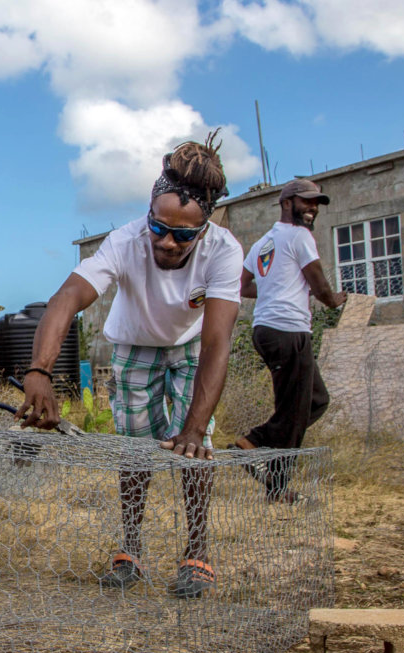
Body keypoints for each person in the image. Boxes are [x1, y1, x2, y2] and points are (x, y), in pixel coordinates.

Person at [18, 132, 242, 599]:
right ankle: (130, 551)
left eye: (183, 235)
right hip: (134, 346)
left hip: (193, 348)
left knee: (194, 452)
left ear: (204, 228)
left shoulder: (223, 251)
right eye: (159, 227)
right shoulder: (124, 241)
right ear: (150, 211)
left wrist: (195, 428)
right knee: (135, 450)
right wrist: (38, 370)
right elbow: (66, 300)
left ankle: (197, 553)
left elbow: (217, 342)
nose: (167, 242)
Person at [233, 179, 346, 503]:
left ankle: (268, 464)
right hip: (288, 331)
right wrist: (333, 300)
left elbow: (242, 286)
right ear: (287, 203)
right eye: (306, 202)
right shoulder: (299, 236)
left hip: (267, 331)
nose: (312, 209)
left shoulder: (263, 243)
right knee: (295, 411)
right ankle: (256, 447)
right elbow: (318, 281)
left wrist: (271, 291)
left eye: (316, 204)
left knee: (314, 401)